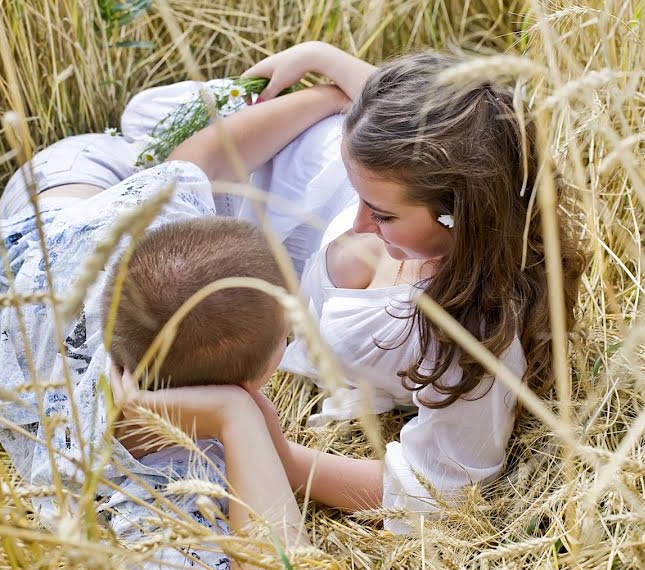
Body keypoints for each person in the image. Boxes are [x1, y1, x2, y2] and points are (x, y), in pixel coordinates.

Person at [126, 43, 587, 534]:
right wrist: (324, 71)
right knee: (145, 131)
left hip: (228, 227)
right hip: (275, 151)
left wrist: (278, 454)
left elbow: (437, 492)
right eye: (360, 195)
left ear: (463, 215)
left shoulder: (470, 332)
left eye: (383, 215)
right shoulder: (406, 161)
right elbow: (187, 170)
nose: (359, 222)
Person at [0, 82, 350, 570]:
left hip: (60, 186)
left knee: (166, 134)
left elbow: (202, 155)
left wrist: (329, 97)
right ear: (258, 374)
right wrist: (236, 419)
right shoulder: (158, 484)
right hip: (60, 202)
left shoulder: (159, 252)